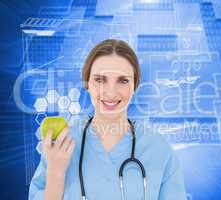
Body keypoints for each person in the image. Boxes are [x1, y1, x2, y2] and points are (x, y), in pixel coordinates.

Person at [28, 39, 187, 200]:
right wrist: (56, 172)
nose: (111, 92)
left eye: (123, 80)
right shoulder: (62, 142)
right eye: (100, 80)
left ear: (135, 86)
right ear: (87, 84)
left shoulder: (158, 148)